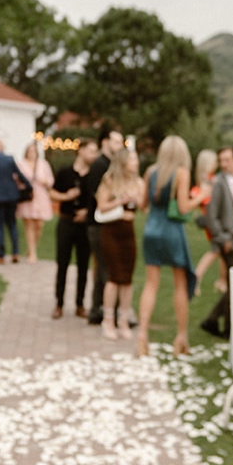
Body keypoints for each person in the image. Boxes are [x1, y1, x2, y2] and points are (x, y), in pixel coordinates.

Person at [137, 136, 202, 357]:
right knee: (180, 285)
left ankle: (142, 335)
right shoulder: (182, 173)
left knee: (151, 284)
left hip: (151, 230)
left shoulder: (150, 172)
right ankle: (181, 338)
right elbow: (183, 208)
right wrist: (201, 197)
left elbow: (143, 205)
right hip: (172, 231)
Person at [199, 146, 233, 337]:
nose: (223, 164)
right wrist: (223, 238)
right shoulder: (217, 183)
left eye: (227, 160)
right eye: (221, 160)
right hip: (229, 238)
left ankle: (212, 320)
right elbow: (210, 216)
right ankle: (230, 330)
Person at [95, 145, 142, 342]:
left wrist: (136, 200)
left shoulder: (138, 182)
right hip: (111, 230)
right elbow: (101, 206)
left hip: (128, 231)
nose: (136, 162)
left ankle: (123, 319)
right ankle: (108, 319)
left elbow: (143, 205)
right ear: (123, 162)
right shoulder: (109, 181)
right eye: (132, 159)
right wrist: (119, 201)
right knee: (114, 276)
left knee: (127, 277)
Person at [50, 137, 97, 320]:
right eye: (91, 150)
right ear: (81, 151)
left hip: (84, 226)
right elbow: (52, 192)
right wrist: (66, 196)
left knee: (83, 265)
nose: (94, 155)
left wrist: (87, 211)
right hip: (66, 222)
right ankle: (59, 303)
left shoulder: (93, 175)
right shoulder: (65, 173)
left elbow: (98, 198)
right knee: (62, 263)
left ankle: (80, 303)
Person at [83, 127, 124, 325]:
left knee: (102, 268)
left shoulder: (110, 164)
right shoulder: (100, 165)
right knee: (107, 267)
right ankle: (110, 310)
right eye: (116, 141)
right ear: (105, 142)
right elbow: (94, 193)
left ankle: (97, 309)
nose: (119, 146)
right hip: (97, 223)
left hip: (103, 222)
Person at [0, 137, 31, 264]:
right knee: (12, 224)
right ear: (1, 147)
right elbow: (19, 175)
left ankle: (1, 255)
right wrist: (29, 186)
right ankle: (15, 252)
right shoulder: (9, 159)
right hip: (11, 196)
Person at [16, 141, 55, 263]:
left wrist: (45, 181)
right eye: (30, 151)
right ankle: (32, 252)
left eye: (34, 151)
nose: (32, 153)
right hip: (28, 196)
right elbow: (16, 179)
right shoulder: (21, 164)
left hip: (41, 195)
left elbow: (50, 180)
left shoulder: (43, 164)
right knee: (29, 224)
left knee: (39, 224)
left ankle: (32, 248)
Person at [189, 148, 220, 293]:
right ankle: (196, 278)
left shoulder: (207, 178)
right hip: (213, 221)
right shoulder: (209, 180)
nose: (217, 164)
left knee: (220, 251)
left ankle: (222, 281)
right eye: (215, 161)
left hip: (214, 220)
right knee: (215, 251)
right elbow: (203, 198)